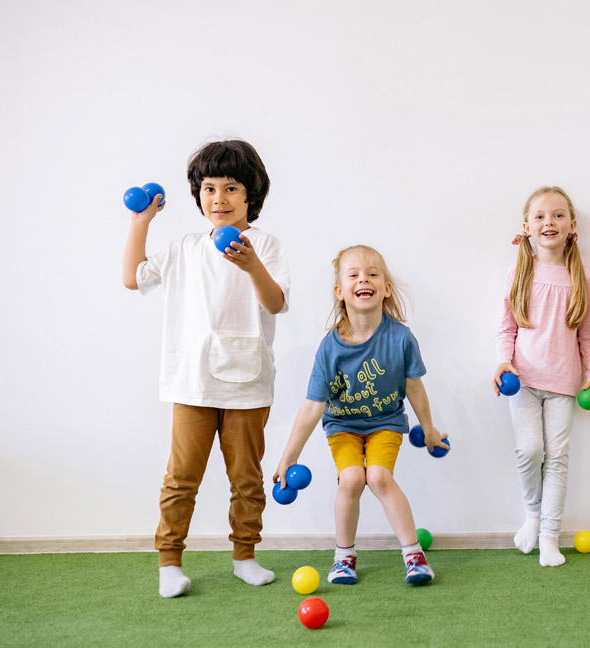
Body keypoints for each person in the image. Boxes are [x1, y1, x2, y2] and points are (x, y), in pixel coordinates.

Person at [122, 139, 290, 598]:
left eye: (232, 188)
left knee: (247, 478)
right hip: (192, 383)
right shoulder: (183, 248)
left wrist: (251, 263)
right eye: (210, 188)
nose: (219, 199)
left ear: (250, 195)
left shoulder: (265, 246)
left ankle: (244, 557)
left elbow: (275, 302)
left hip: (249, 383)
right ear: (198, 195)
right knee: (181, 478)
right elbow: (132, 276)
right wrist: (142, 221)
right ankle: (169, 563)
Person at [275, 245, 446, 585]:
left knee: (379, 477)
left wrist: (429, 430)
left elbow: (415, 389)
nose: (363, 279)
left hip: (386, 423)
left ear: (386, 289)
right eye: (353, 275)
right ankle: (344, 559)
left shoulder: (401, 338)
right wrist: (287, 457)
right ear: (340, 292)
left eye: (372, 273)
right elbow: (313, 406)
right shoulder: (331, 346)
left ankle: (414, 556)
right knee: (352, 479)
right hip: (343, 426)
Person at [494, 186, 590, 567]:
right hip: (521, 381)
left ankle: (549, 537)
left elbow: (588, 336)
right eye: (540, 216)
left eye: (558, 215)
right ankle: (534, 516)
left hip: (563, 384)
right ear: (526, 227)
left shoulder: (581, 276)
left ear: (572, 225)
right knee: (530, 451)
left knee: (557, 457)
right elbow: (506, 329)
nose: (549, 222)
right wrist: (502, 363)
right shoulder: (518, 272)